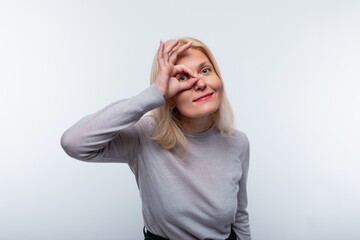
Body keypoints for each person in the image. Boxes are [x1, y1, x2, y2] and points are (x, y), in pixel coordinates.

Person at [61, 37, 251, 240]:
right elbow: (73, 142)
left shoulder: (238, 142)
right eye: (183, 77)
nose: (201, 83)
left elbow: (239, 214)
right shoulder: (145, 136)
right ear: (168, 97)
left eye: (205, 70)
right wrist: (155, 93)